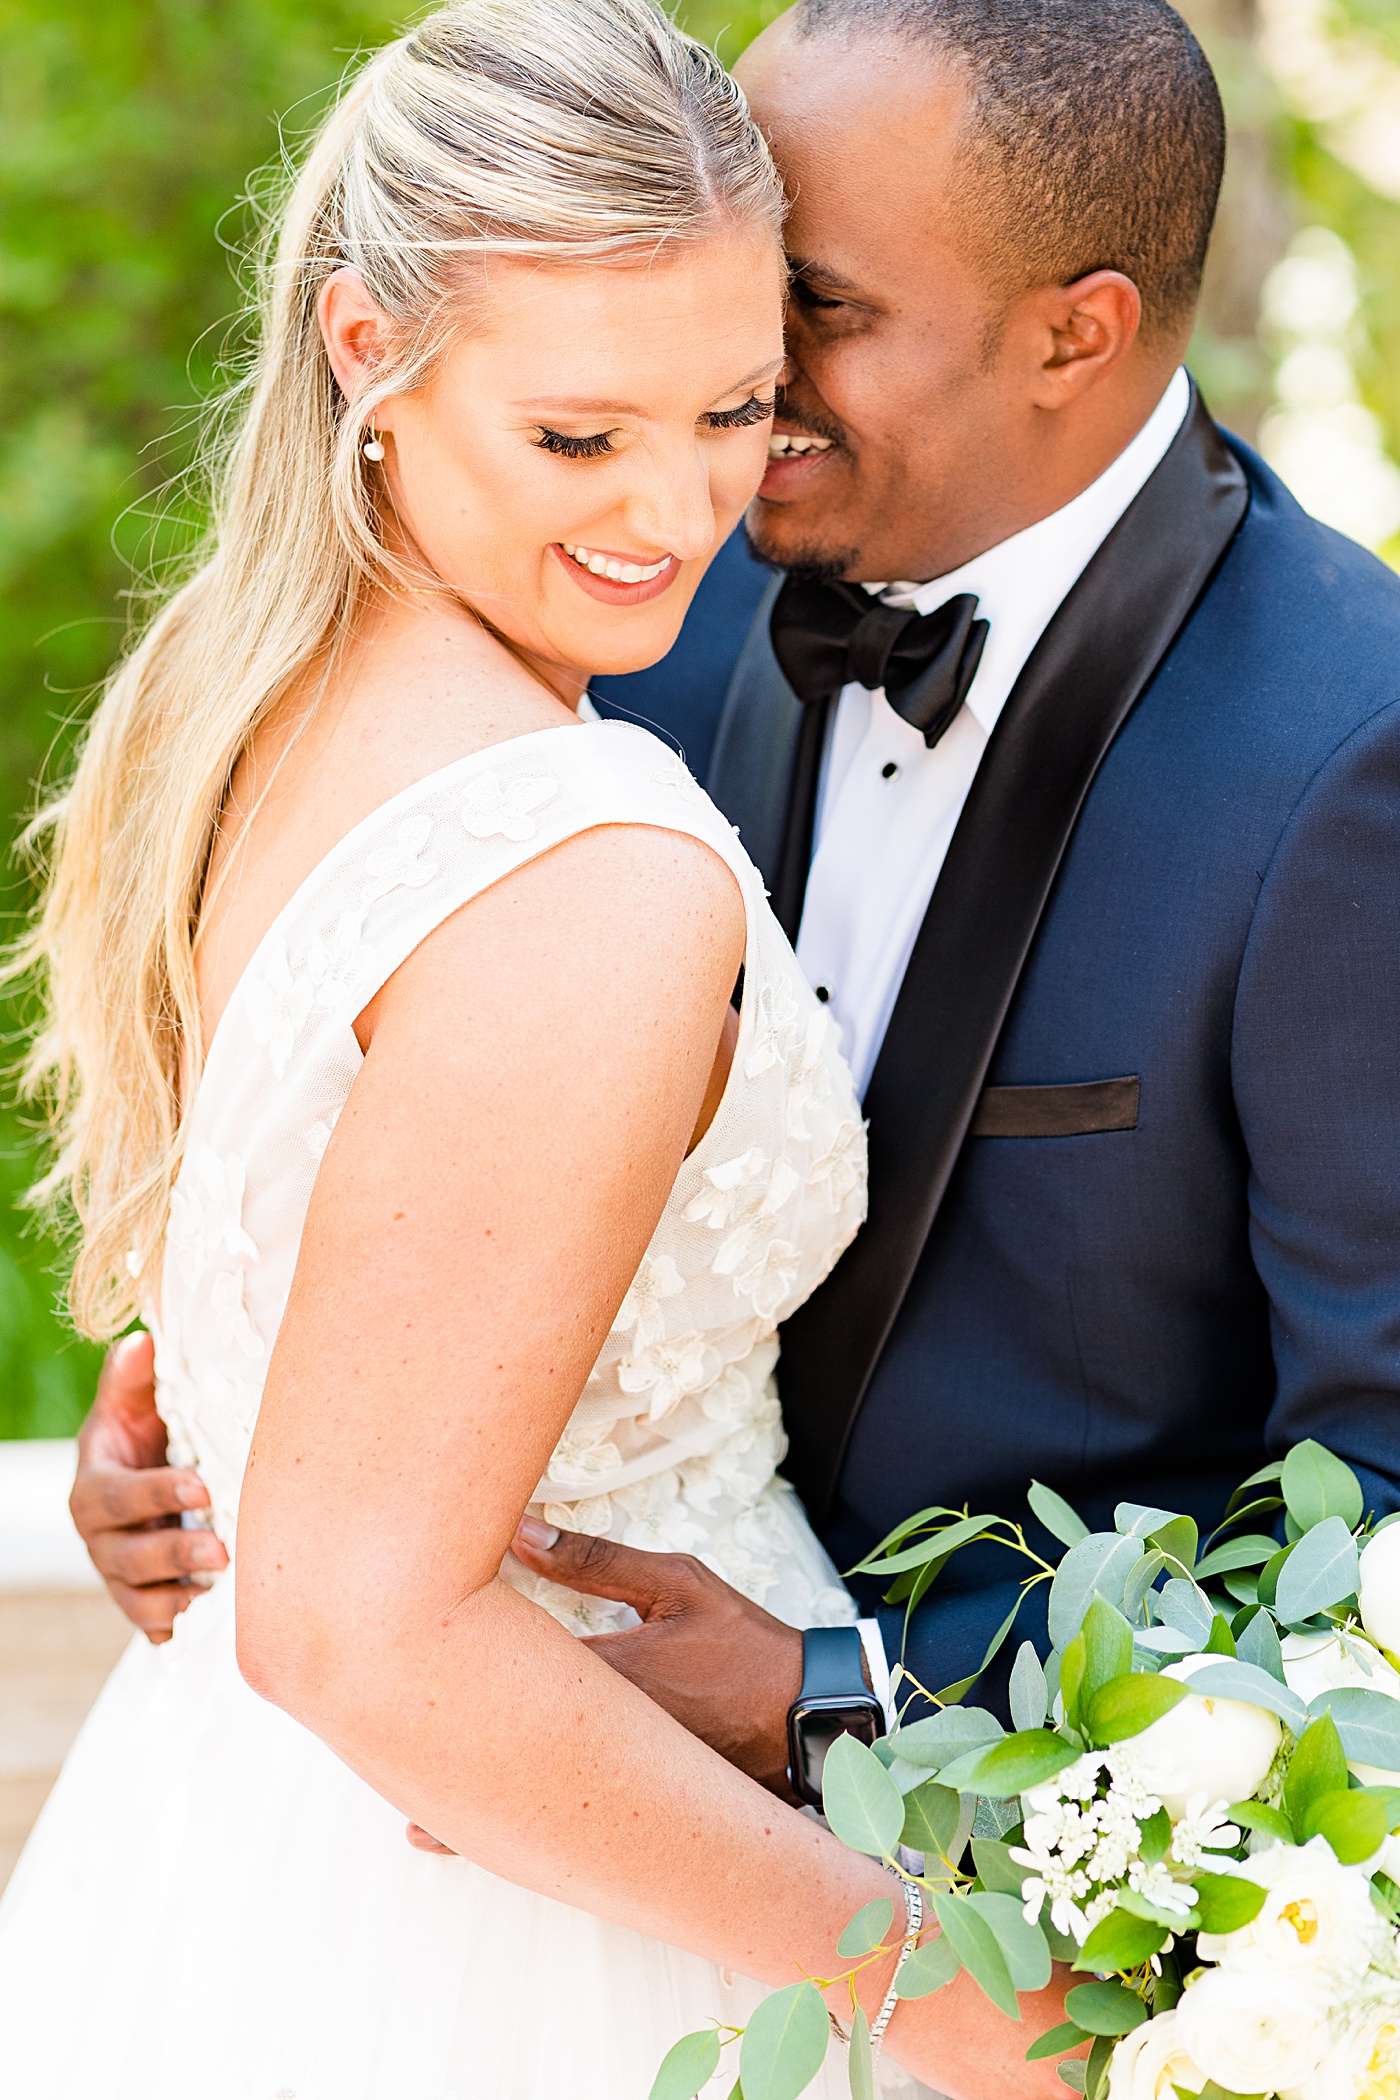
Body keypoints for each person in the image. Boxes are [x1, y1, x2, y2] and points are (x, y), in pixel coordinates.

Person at [0, 4, 1074, 2095]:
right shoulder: (584, 873)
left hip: (245, 1841)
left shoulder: (239, 707)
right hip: (566, 1902)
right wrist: (955, 1990)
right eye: (579, 439)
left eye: (732, 412)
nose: (674, 516)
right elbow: (362, 1624)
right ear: (364, 355)